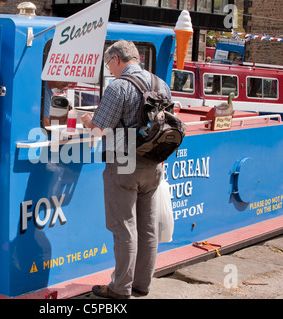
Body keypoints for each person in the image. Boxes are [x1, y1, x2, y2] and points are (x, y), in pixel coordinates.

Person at [80, 40, 170, 299]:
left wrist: (87, 120)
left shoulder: (118, 87)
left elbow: (100, 129)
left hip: (124, 162)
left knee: (124, 227)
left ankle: (120, 288)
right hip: (153, 162)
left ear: (117, 59)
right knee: (148, 227)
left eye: (109, 64)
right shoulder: (159, 83)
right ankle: (142, 285)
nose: (109, 69)